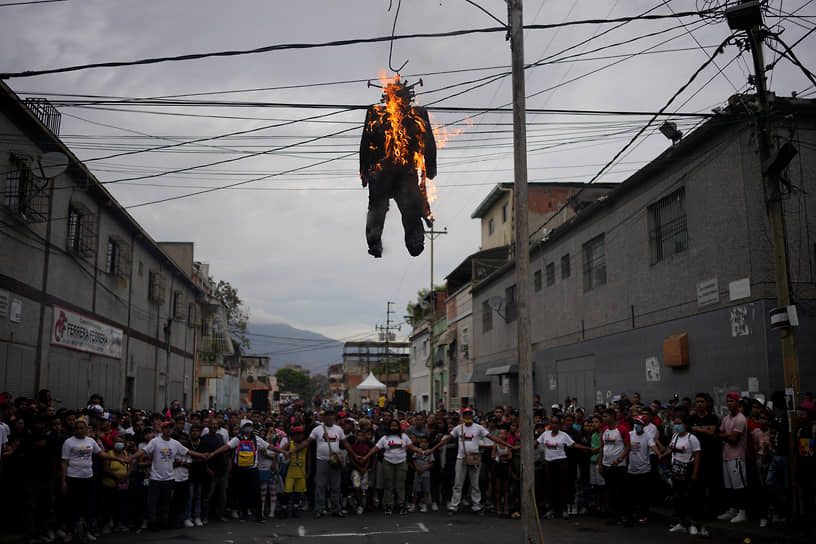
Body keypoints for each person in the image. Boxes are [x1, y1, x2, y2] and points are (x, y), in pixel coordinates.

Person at [430, 407, 512, 515]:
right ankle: (454, 506)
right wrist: (433, 449)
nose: (468, 417)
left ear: (472, 416)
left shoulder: (478, 428)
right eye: (466, 415)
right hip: (461, 458)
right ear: (463, 417)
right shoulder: (459, 428)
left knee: (475, 483)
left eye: (469, 415)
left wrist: (507, 444)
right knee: (458, 483)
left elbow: (492, 437)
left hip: (474, 458)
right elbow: (447, 439)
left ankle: (476, 506)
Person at [130, 421, 208, 530]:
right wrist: (130, 458)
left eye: (170, 428)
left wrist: (202, 455)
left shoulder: (175, 443)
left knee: (165, 503)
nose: (168, 430)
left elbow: (188, 452)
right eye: (166, 428)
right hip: (155, 479)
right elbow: (143, 451)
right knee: (153, 503)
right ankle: (152, 524)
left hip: (169, 479)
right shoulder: (155, 441)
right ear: (162, 429)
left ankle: (163, 523)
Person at [209, 421, 289, 522]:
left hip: (253, 469)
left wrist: (283, 451)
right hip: (240, 469)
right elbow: (227, 447)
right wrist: (214, 453)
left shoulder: (256, 438)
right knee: (242, 492)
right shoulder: (238, 438)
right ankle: (244, 514)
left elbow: (270, 447)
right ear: (242, 428)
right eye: (246, 426)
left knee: (256, 492)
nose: (248, 428)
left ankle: (258, 515)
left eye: (250, 426)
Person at [61, 420, 122, 542]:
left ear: (87, 429)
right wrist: (63, 481)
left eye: (82, 428)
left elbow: (101, 454)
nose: (79, 430)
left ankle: (86, 531)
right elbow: (64, 462)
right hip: (73, 477)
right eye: (77, 428)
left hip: (88, 477)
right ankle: (70, 532)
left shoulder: (91, 441)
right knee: (72, 506)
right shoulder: (69, 442)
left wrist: (116, 458)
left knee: (87, 506)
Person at [291, 409, 355, 518]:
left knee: (335, 486)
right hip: (321, 460)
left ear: (334, 417)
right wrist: (293, 450)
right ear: (323, 418)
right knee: (320, 485)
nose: (330, 418)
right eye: (327, 416)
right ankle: (319, 509)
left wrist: (354, 454)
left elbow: (346, 444)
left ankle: (336, 508)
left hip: (335, 461)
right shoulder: (317, 430)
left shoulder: (338, 429)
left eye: (331, 415)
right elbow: (307, 442)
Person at [362, 417, 424, 515]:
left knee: (400, 485)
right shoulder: (385, 438)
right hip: (388, 462)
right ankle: (388, 505)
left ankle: (401, 505)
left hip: (401, 462)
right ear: (389, 427)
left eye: (395, 426)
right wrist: (366, 456)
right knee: (388, 485)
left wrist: (423, 452)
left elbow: (412, 447)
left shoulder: (404, 437)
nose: (393, 427)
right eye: (392, 426)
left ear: (398, 427)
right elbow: (376, 448)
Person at [535, 414, 591, 520]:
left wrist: (589, 449)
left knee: (562, 486)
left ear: (560, 425)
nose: (554, 425)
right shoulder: (545, 434)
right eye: (552, 423)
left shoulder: (564, 435)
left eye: (556, 423)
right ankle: (551, 509)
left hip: (561, 463)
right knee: (550, 486)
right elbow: (535, 443)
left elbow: (575, 445)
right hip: (549, 463)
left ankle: (563, 509)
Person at [665, 416, 704, 536]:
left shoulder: (692, 438)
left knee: (691, 498)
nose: (676, 425)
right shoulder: (675, 436)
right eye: (675, 423)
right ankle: (681, 523)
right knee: (678, 498)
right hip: (676, 472)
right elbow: (671, 451)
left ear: (685, 424)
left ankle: (693, 524)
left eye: (679, 423)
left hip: (688, 471)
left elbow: (697, 456)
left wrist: (694, 474)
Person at [717, 392, 748, 524]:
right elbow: (719, 434)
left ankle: (743, 512)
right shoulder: (726, 418)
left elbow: (734, 439)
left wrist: (726, 435)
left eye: (732, 401)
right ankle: (732, 510)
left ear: (737, 403)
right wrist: (727, 435)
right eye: (728, 401)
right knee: (729, 486)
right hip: (726, 456)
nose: (729, 403)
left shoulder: (740, 419)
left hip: (737, 457)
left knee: (739, 486)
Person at [626, 415, 660, 525]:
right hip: (632, 469)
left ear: (643, 425)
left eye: (639, 423)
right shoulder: (630, 434)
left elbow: (653, 445)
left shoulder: (647, 436)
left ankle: (643, 515)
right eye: (635, 422)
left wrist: (659, 453)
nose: (636, 425)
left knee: (643, 495)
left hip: (644, 470)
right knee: (631, 495)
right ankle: (631, 515)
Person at [598, 408, 629, 525]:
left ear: (612, 417)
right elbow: (602, 447)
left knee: (620, 491)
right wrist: (600, 464)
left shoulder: (622, 429)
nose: (603, 419)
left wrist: (620, 459)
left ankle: (623, 516)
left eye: (605, 416)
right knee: (610, 491)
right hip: (606, 466)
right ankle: (613, 516)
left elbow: (627, 447)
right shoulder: (605, 430)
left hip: (619, 466)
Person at [283, 426, 309, 518]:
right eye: (296, 434)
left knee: (298, 492)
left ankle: (295, 509)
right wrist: (276, 463)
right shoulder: (288, 444)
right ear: (293, 435)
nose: (298, 436)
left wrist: (308, 471)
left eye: (300, 434)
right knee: (287, 491)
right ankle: (285, 509)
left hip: (301, 472)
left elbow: (308, 459)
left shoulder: (305, 445)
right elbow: (279, 452)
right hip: (290, 472)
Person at [349, 429, 371, 515]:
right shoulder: (353, 447)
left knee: (364, 488)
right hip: (356, 469)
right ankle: (359, 504)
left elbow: (368, 458)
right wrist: (359, 468)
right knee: (356, 486)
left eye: (362, 435)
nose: (360, 437)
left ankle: (364, 504)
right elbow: (352, 459)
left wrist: (365, 468)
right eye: (359, 435)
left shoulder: (367, 447)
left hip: (364, 470)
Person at [410, 436, 433, 513]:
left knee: (426, 490)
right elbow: (414, 461)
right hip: (417, 473)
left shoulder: (430, 451)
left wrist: (423, 469)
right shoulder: (417, 451)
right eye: (422, 442)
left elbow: (431, 463)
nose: (423, 444)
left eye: (425, 442)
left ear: (428, 443)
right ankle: (413, 505)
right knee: (415, 490)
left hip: (426, 474)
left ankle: (424, 505)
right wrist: (417, 468)